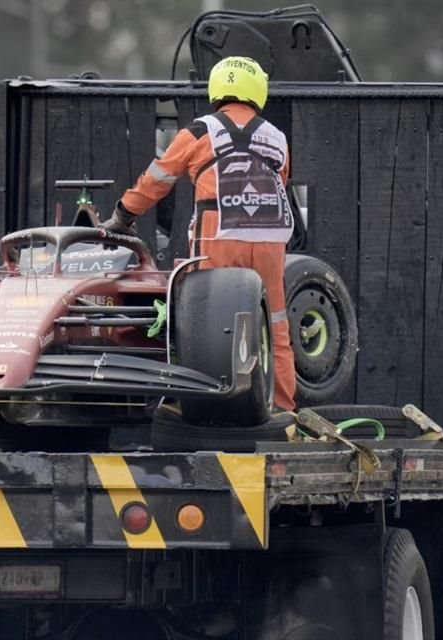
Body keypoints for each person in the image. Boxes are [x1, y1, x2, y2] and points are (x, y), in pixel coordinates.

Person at [99, 55, 297, 411]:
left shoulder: (199, 131)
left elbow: (157, 180)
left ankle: (200, 401)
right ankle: (282, 410)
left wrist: (122, 216)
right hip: (269, 240)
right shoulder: (277, 137)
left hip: (218, 235)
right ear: (257, 90)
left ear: (217, 89)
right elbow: (281, 182)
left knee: (205, 318)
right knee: (275, 322)